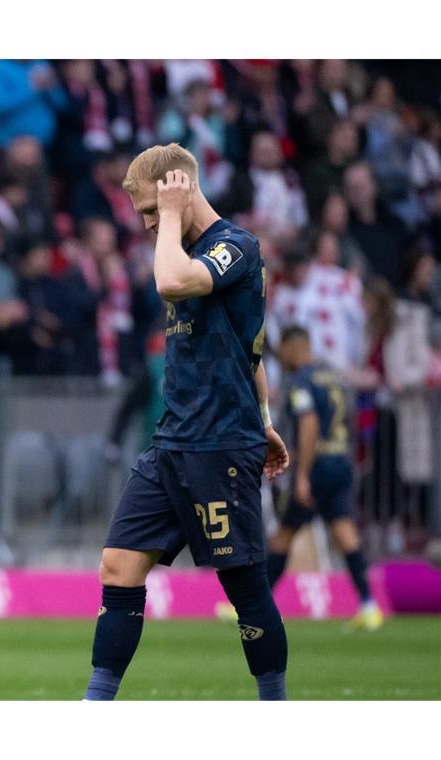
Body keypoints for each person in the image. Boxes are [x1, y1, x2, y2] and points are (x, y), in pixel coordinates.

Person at [82, 144, 291, 701]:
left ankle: (277, 709)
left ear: (179, 186)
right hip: (173, 442)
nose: (150, 225)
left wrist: (171, 215)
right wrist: (267, 419)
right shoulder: (179, 248)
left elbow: (173, 283)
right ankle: (94, 706)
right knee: (117, 567)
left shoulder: (234, 248)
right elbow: (252, 351)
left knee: (244, 586)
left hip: (219, 446)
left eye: (153, 209)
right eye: (146, 216)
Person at [259, 326, 383, 630]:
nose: (282, 358)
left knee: (284, 533)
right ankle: (369, 605)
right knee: (345, 533)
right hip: (341, 460)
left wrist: (302, 475)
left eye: (284, 351)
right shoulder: (335, 377)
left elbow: (309, 422)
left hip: (316, 466)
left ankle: (254, 606)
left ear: (293, 347)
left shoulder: (300, 381)